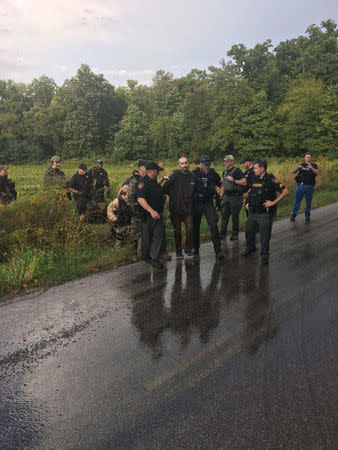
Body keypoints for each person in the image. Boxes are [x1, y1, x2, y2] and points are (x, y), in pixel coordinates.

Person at [241, 159, 288, 265]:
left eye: (256, 168)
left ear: (262, 169)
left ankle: (264, 255)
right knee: (249, 231)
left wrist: (273, 202)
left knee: (264, 235)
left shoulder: (271, 179)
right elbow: (250, 191)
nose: (254, 170)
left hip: (265, 213)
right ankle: (250, 247)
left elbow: (285, 191)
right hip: (252, 211)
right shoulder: (254, 178)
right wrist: (247, 202)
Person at [162, 156, 196, 258]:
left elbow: (195, 190)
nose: (184, 165)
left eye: (186, 163)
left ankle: (188, 248)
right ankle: (178, 251)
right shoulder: (174, 175)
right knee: (177, 232)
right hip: (175, 209)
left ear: (188, 163)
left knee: (190, 228)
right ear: (179, 165)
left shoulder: (192, 176)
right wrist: (174, 196)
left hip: (188, 208)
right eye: (182, 163)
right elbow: (164, 189)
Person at [192, 156, 223, 260]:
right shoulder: (195, 173)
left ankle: (218, 251)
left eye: (208, 164)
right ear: (200, 164)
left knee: (213, 225)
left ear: (210, 164)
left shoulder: (213, 174)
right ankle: (195, 249)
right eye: (205, 164)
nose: (206, 166)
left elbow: (221, 184)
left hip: (208, 202)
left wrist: (221, 194)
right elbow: (189, 186)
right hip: (196, 203)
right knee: (195, 227)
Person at [137, 161, 166, 269]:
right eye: (157, 171)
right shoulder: (142, 182)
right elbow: (140, 199)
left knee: (159, 235)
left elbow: (154, 188)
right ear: (151, 171)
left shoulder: (153, 182)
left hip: (157, 214)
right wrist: (151, 211)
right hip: (148, 215)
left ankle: (155, 258)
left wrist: (162, 180)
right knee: (146, 237)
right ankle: (145, 256)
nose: (158, 172)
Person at [219, 155, 245, 240]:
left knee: (234, 216)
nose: (225, 162)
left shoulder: (237, 171)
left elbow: (244, 182)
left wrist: (233, 180)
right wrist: (221, 196)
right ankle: (222, 234)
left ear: (232, 161)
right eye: (224, 161)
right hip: (226, 196)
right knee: (224, 216)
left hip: (236, 196)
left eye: (227, 161)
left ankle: (235, 234)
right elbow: (223, 185)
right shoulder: (224, 172)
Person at [126, 160, 148, 256]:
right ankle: (133, 254)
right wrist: (134, 210)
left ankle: (143, 253)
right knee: (135, 234)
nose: (146, 170)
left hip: (146, 211)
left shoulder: (147, 180)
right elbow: (130, 197)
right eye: (145, 168)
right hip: (136, 211)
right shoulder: (135, 181)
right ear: (140, 168)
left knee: (145, 234)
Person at [290, 153, 319, 222]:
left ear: (311, 158)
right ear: (304, 158)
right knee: (297, 201)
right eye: (306, 157)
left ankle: (307, 216)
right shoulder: (301, 164)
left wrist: (311, 167)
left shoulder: (314, 165)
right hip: (301, 186)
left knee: (308, 202)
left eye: (309, 157)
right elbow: (293, 172)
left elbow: (317, 172)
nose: (308, 158)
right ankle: (293, 215)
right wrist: (298, 167)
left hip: (310, 186)